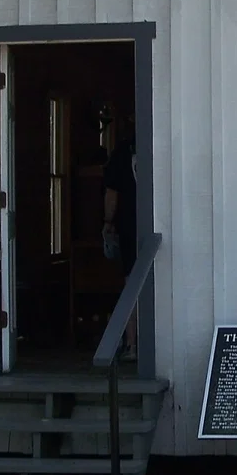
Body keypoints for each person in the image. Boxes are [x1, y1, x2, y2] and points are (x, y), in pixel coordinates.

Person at [102, 116, 138, 356]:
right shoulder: (158, 146)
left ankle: (133, 344)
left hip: (128, 224)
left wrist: (107, 222)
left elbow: (112, 193)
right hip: (154, 224)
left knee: (131, 283)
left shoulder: (121, 153)